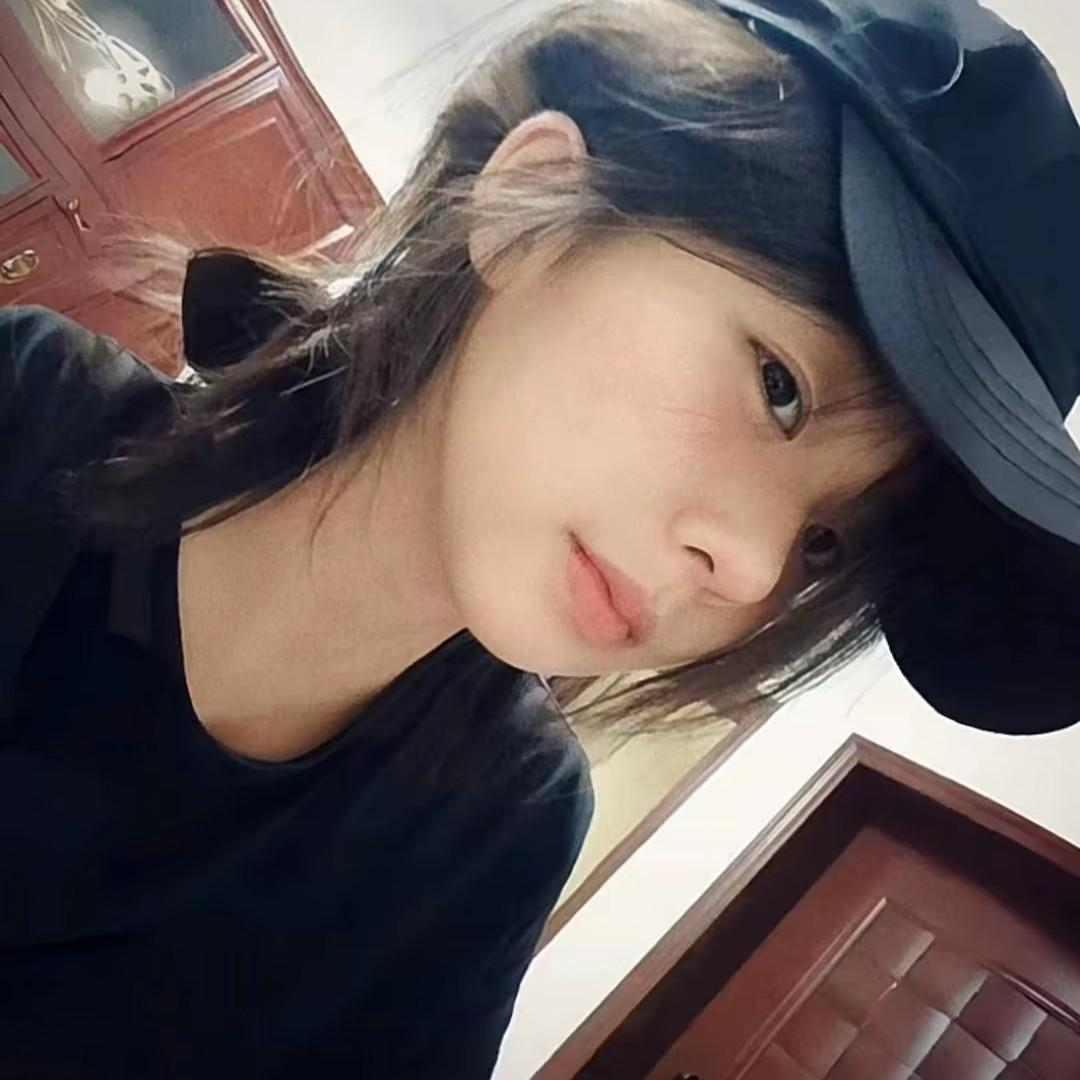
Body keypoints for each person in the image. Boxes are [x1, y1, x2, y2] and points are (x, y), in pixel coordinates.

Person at [2, 0, 1078, 1076]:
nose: (754, 571)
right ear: (532, 204)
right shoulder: (25, 412)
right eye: (779, 386)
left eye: (824, 544)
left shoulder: (493, 837)